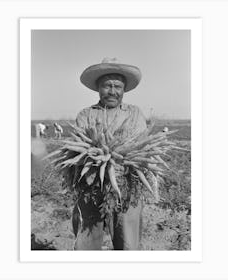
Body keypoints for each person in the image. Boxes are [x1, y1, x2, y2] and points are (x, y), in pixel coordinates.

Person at [72, 58, 147, 250]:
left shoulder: (135, 114)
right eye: (107, 85)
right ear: (98, 88)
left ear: (124, 89)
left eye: (117, 86)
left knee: (128, 244)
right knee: (86, 243)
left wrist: (124, 161)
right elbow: (79, 148)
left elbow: (141, 147)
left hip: (127, 187)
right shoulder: (85, 115)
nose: (112, 91)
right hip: (90, 188)